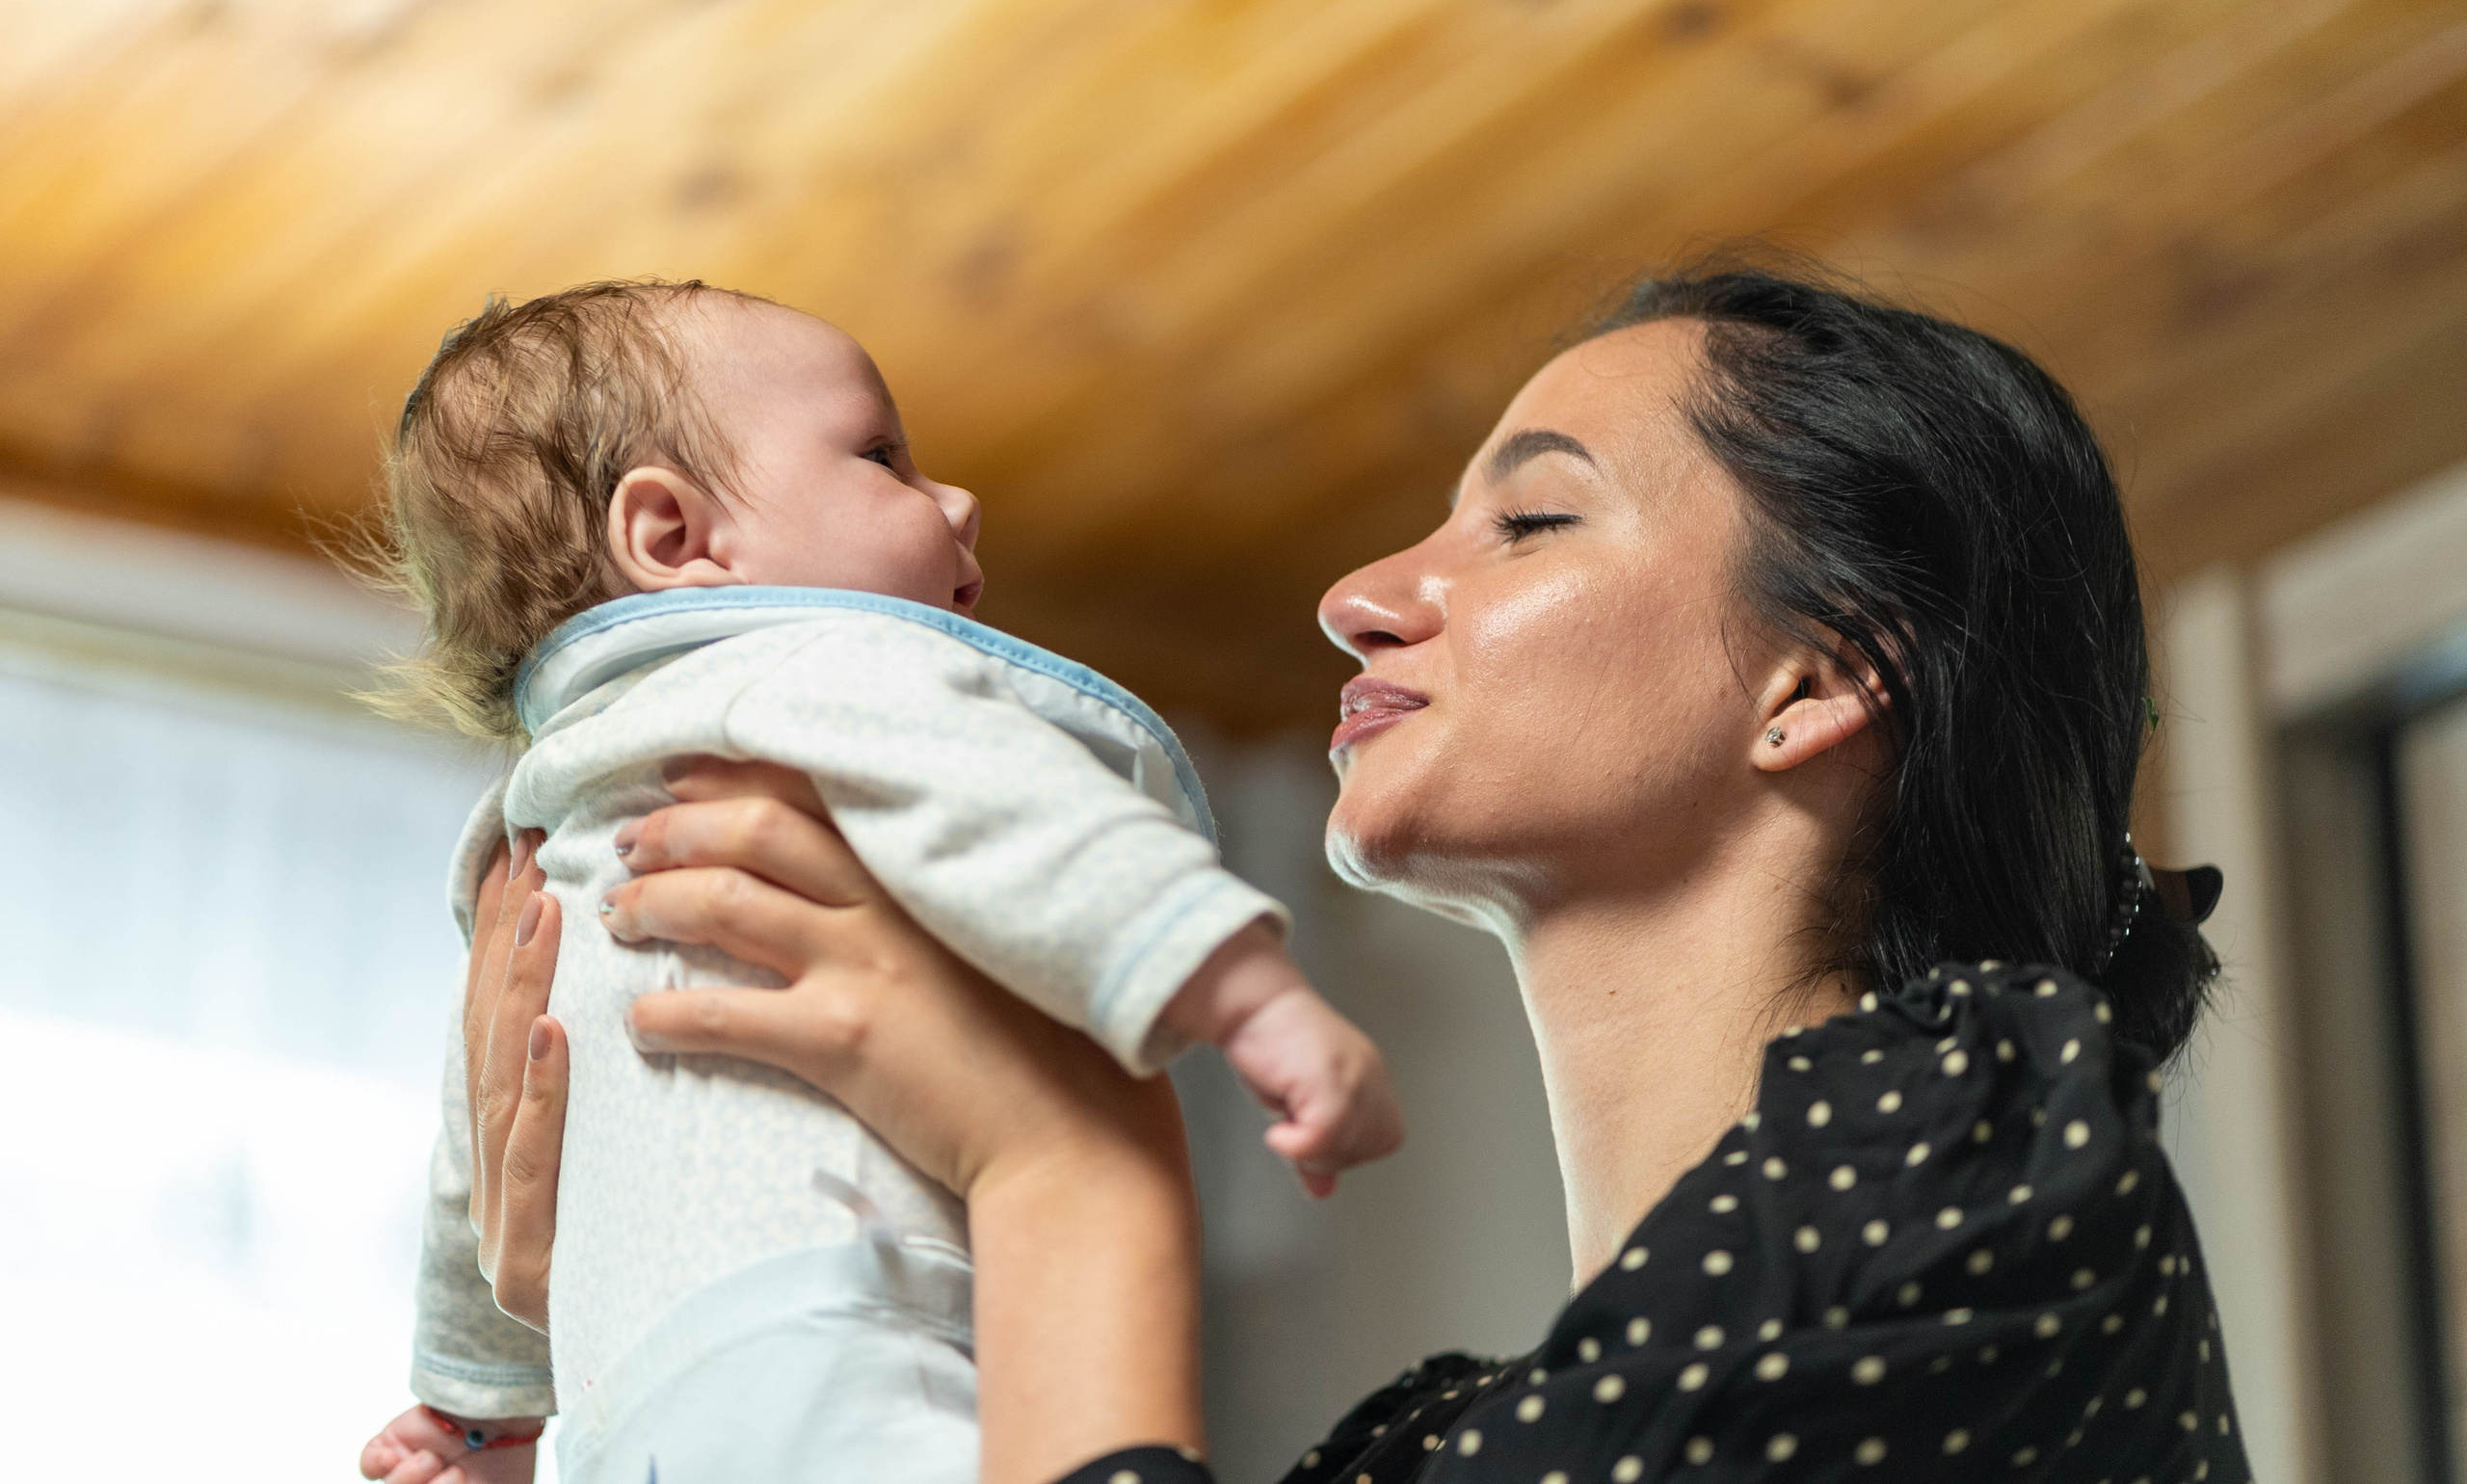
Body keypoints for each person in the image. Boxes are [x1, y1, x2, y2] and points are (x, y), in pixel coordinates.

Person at [450, 264, 2248, 1484]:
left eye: (1530, 517)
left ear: (1820, 677)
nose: (1359, 591)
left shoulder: (1987, 1144)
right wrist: (650, 1324)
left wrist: (1067, 1168)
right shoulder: (1428, 1449)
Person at [356, 281, 1401, 1484]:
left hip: (619, 1407)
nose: (956, 500)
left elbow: (473, 1150)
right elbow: (1029, 811)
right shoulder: (824, 665)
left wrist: (476, 1412)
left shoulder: (530, 829)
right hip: (832, 1314)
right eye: (882, 456)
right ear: (673, 537)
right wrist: (1254, 995)